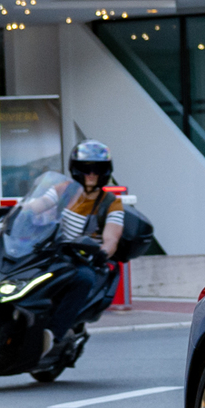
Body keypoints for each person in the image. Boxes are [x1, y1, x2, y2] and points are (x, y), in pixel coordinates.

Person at [47, 141, 129, 336]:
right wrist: (16, 212)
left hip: (82, 258)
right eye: (86, 169)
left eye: (97, 169)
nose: (91, 174)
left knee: (83, 279)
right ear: (76, 169)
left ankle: (54, 335)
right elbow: (38, 205)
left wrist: (103, 251)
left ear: (105, 171)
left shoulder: (111, 203)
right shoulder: (63, 190)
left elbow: (111, 238)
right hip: (52, 251)